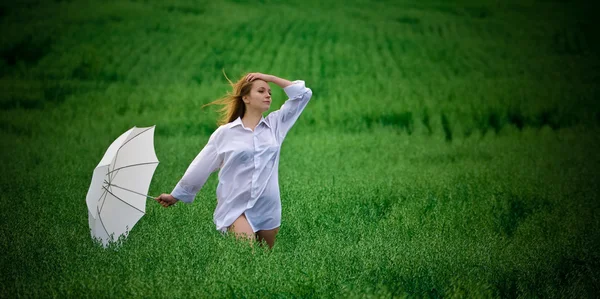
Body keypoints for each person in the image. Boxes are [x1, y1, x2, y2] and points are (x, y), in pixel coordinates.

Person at [155, 72, 313, 250]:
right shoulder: (225, 133)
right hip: (235, 206)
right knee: (248, 256)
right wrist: (175, 196)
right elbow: (201, 166)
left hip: (268, 208)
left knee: (265, 266)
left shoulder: (276, 125)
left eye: (270, 92)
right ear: (245, 98)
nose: (268, 95)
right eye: (261, 91)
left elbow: (303, 94)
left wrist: (269, 78)